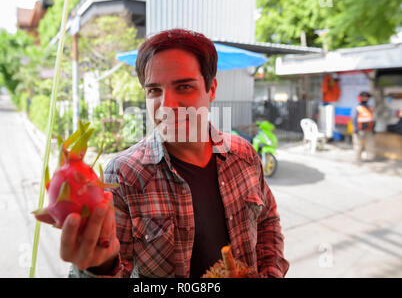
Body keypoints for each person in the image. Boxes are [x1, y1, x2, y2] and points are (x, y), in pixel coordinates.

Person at [60, 28, 289, 278]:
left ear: (211, 88)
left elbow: (267, 223)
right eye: (154, 91)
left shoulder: (243, 155)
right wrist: (99, 267)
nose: (167, 105)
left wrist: (270, 273)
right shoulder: (124, 177)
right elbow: (114, 267)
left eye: (184, 87)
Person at [352, 91, 375, 161]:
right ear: (360, 98)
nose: (365, 98)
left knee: (370, 144)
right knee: (358, 145)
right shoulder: (358, 107)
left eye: (366, 97)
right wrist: (355, 128)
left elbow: (372, 118)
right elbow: (354, 118)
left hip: (369, 129)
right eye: (364, 97)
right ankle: (358, 158)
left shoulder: (369, 108)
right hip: (359, 129)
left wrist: (373, 128)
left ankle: (369, 158)